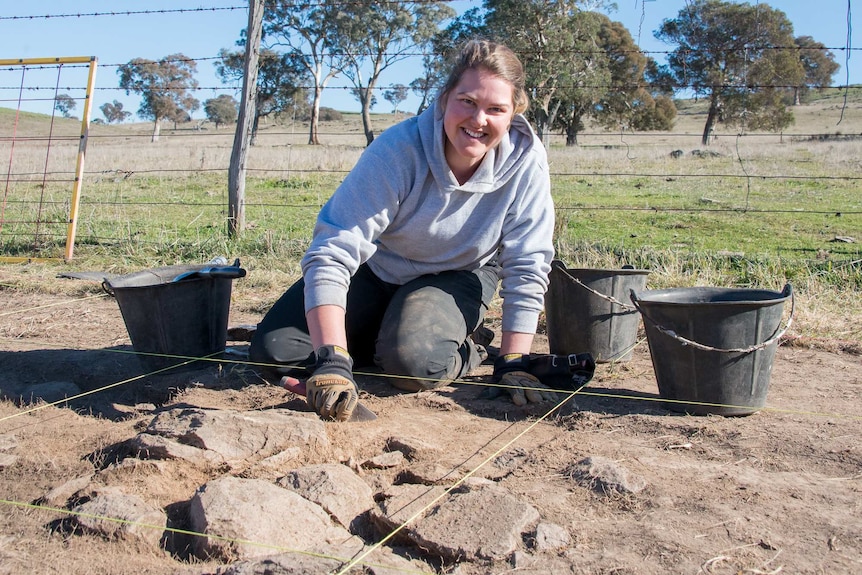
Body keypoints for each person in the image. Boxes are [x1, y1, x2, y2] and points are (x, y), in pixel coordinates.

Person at [249, 39, 558, 421]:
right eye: (467, 101)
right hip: (382, 267)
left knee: (411, 363)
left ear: (514, 113)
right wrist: (332, 359)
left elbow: (528, 261)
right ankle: (384, 336)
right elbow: (334, 248)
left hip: (460, 272)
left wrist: (514, 361)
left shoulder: (526, 161)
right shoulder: (398, 149)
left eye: (495, 109)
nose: (479, 120)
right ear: (445, 99)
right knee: (276, 352)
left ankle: (470, 346)